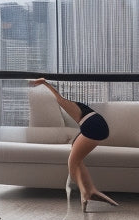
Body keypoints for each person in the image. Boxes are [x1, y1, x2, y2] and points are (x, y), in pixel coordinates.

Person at [30, 78, 118, 211]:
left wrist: (44, 83)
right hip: (94, 124)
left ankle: (85, 193)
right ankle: (91, 190)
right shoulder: (78, 105)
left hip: (93, 125)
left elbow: (58, 97)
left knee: (72, 162)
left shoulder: (67, 102)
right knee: (76, 158)